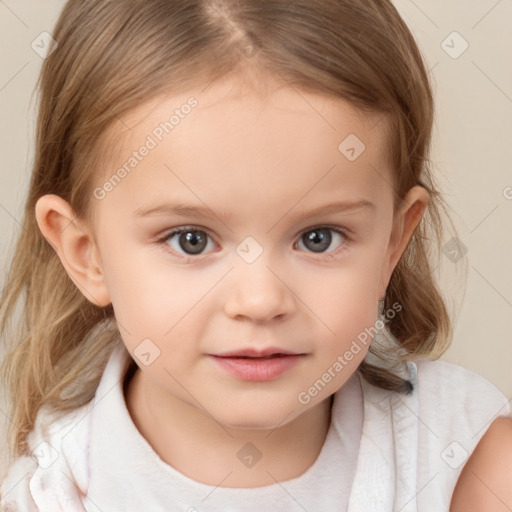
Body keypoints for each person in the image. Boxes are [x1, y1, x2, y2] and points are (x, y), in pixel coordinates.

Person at [1, 0, 511, 510]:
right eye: (190, 240)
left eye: (319, 238)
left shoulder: (467, 460)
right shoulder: (47, 497)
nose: (260, 300)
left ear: (390, 245)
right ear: (85, 254)